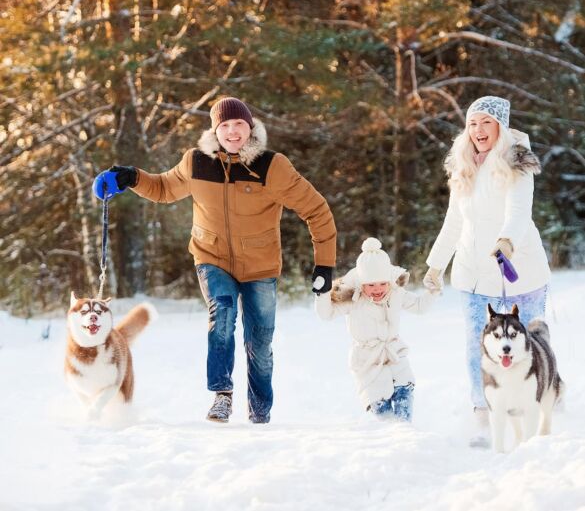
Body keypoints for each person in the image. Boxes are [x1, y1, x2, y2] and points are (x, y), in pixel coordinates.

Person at [93, 96, 337, 424]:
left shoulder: (271, 166)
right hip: (211, 256)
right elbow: (164, 188)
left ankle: (260, 414)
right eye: (225, 125)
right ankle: (222, 393)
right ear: (215, 129)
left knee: (259, 344)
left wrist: (324, 264)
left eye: (239, 124)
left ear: (250, 127)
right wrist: (131, 177)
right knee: (221, 308)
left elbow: (316, 209)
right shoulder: (196, 162)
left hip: (260, 265)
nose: (233, 132)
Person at [422, 95, 551, 447]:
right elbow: (453, 222)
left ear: (501, 127)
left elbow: (519, 210)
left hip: (519, 270)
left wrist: (507, 241)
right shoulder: (462, 165)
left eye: (486, 123)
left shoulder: (517, 161)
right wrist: (436, 264)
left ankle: (535, 410)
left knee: (531, 340)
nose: (478, 130)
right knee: (476, 344)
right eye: (473, 123)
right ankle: (484, 414)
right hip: (474, 271)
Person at [315, 237, 438, 422]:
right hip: (367, 360)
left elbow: (419, 306)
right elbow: (326, 314)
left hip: (394, 354)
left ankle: (405, 431)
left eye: (382, 283)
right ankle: (386, 434)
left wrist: (433, 291)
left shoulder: (396, 293)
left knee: (404, 390)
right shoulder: (354, 300)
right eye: (371, 285)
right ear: (362, 284)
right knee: (381, 409)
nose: (377, 289)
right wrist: (322, 293)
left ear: (389, 279)